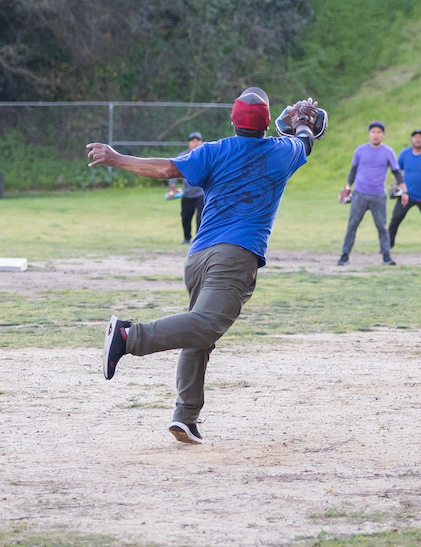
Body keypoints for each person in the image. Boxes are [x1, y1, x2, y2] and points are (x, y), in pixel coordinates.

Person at [87, 88, 320, 444]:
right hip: (235, 256)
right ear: (265, 124)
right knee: (206, 326)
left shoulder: (214, 150)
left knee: (197, 335)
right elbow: (306, 141)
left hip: (198, 257)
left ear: (232, 120)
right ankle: (126, 336)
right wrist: (301, 122)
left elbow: (166, 168)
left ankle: (186, 417)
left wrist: (116, 158)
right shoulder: (282, 151)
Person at [338, 121, 405, 266]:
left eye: (378, 132)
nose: (376, 135)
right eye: (373, 132)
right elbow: (353, 170)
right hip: (360, 194)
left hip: (378, 195)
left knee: (382, 226)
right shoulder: (360, 150)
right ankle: (344, 255)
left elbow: (396, 172)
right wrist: (347, 188)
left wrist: (404, 190)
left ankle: (386, 257)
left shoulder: (388, 152)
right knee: (352, 224)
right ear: (369, 134)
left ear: (383, 135)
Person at [168, 131, 205, 243]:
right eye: (192, 141)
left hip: (201, 193)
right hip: (187, 193)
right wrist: (172, 186)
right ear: (189, 143)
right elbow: (172, 170)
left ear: (201, 142)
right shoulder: (183, 156)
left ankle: (199, 239)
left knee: (201, 218)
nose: (195, 143)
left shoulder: (205, 156)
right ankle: (187, 238)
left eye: (197, 141)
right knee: (186, 217)